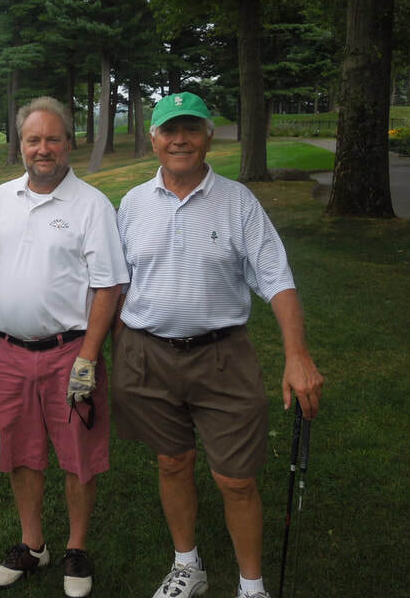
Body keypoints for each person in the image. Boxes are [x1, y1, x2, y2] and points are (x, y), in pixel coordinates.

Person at [112, 93, 324, 598]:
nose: (179, 140)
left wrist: (297, 355)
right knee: (171, 462)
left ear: (208, 137)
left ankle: (252, 586)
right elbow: (117, 283)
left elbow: (276, 277)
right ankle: (188, 566)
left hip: (222, 357)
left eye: (191, 129)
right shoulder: (133, 204)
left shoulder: (238, 201)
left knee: (237, 480)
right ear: (153, 140)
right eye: (169, 130)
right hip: (148, 356)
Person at [0, 97, 129, 598]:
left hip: (70, 352)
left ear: (69, 143)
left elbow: (108, 287)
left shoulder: (91, 205)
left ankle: (76, 548)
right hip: (11, 351)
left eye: (53, 139)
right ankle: (33, 544)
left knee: (78, 454)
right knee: (20, 452)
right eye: (33, 140)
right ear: (20, 145)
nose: (43, 149)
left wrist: (89, 357)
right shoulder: (0, 198)